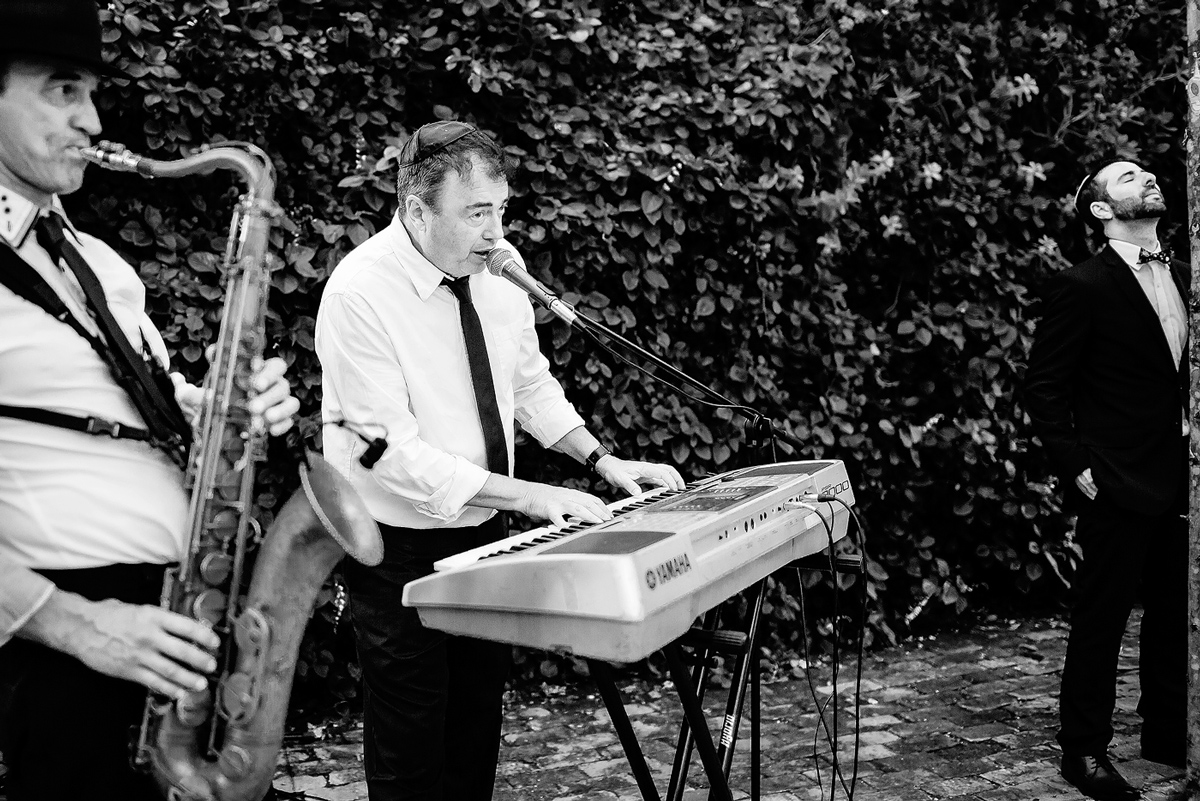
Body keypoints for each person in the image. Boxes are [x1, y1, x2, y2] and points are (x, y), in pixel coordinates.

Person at [315, 119, 686, 800]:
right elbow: (390, 453)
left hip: (482, 537)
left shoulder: (498, 272)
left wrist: (601, 459)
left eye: (501, 209)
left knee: (474, 735)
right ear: (416, 211)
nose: (494, 231)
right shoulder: (357, 292)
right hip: (394, 551)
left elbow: (529, 386)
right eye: (477, 213)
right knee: (409, 753)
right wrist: (528, 495)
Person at [0, 2, 301, 799]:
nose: (90, 119)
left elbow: (137, 406)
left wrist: (226, 408)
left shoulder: (96, 259)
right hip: (75, 651)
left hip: (175, 625)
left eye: (91, 93)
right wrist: (78, 625)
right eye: (62, 91)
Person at [1025, 158, 1187, 801]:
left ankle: (1167, 733)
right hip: (1115, 478)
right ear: (1099, 210)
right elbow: (1043, 388)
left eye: (1146, 173)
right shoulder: (1082, 286)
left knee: (1176, 613)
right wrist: (1077, 466)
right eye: (1125, 178)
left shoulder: (1184, 273)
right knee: (1103, 616)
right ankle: (1083, 751)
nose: (1145, 179)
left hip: (1181, 475)